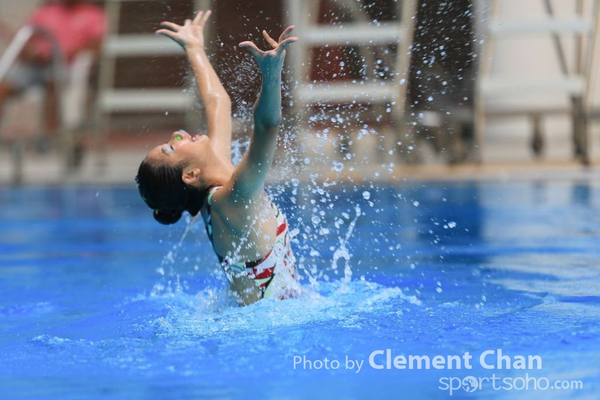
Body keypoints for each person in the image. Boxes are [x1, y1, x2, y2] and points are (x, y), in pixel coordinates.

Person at [136, 10, 301, 306]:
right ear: (190, 175)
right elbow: (266, 127)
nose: (178, 134)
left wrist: (194, 48)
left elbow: (217, 102)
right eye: (172, 147)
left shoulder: (218, 177)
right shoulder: (233, 199)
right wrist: (272, 76)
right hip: (265, 331)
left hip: (257, 321)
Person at [0, 0, 106, 144]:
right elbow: (25, 37)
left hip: (66, 66)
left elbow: (96, 44)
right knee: (2, 86)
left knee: (54, 82)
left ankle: (47, 138)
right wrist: (31, 52)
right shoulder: (47, 11)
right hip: (37, 65)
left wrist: (63, 54)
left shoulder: (93, 14)